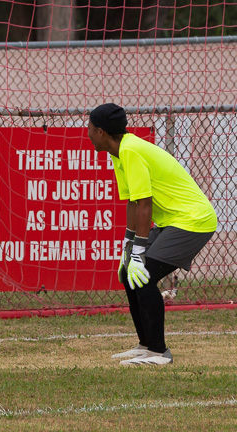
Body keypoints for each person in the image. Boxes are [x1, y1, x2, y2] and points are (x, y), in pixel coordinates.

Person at [87, 103, 217, 366]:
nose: (87, 133)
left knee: (143, 275)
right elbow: (133, 203)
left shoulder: (131, 151)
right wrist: (128, 246)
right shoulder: (119, 151)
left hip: (194, 220)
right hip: (173, 221)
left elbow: (145, 203)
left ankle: (159, 352)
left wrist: (138, 251)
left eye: (89, 128)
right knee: (129, 273)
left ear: (100, 132)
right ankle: (146, 345)